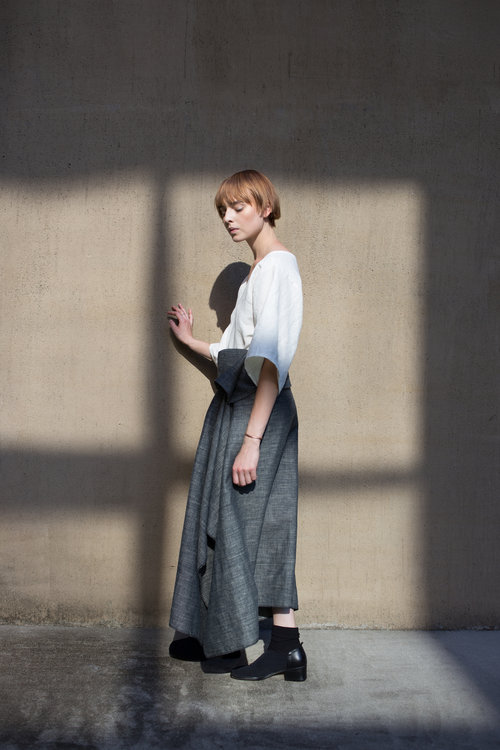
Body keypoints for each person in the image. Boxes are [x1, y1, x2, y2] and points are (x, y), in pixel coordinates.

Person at [167, 169, 306, 681]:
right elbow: (237, 347)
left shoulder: (279, 267)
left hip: (257, 408)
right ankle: (256, 642)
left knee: (242, 524)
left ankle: (257, 643)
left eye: (238, 207)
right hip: (239, 403)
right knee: (246, 522)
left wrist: (251, 440)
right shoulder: (258, 271)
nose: (228, 217)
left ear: (265, 207)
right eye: (223, 210)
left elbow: (269, 360)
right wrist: (191, 341)